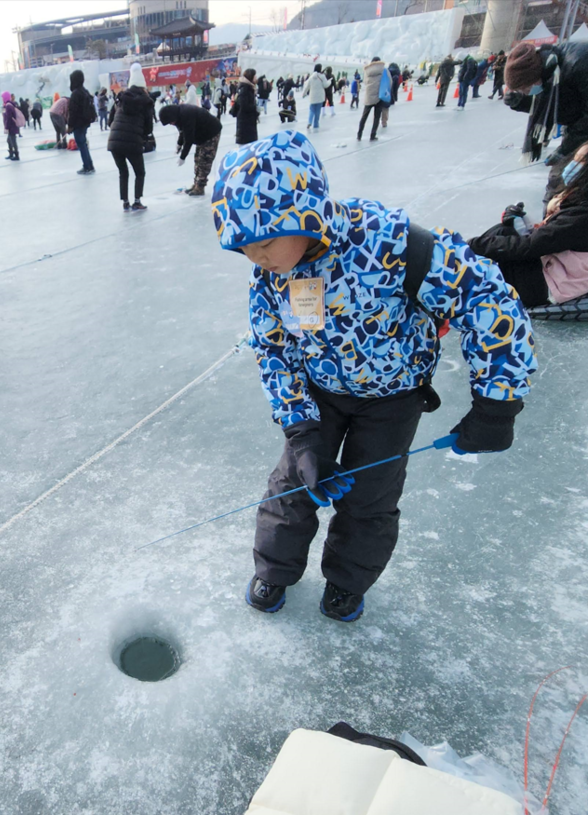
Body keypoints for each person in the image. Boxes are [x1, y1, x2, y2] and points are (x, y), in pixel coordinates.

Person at [210, 130, 537, 621]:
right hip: (319, 391)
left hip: (393, 397)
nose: (256, 259)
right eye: (243, 249)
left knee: (371, 496)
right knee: (294, 482)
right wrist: (302, 433)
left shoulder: (393, 243)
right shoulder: (272, 275)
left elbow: (488, 299)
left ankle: (346, 581)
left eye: (264, 243)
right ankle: (274, 568)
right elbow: (274, 349)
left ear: (307, 214)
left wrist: (497, 404)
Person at [468, 142, 588, 308]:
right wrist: (519, 220)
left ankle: (448, 286)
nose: (571, 165)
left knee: (492, 255)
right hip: (556, 265)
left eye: (580, 162)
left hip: (554, 285)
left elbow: (532, 245)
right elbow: (552, 235)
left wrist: (472, 245)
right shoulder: (576, 199)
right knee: (504, 231)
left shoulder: (581, 215)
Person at [504, 39, 588, 209]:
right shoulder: (550, 71)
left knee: (567, 181)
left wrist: (566, 150)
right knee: (560, 181)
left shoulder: (578, 64)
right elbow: (558, 106)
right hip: (577, 125)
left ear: (534, 78)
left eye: (525, 89)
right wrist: (521, 102)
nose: (527, 93)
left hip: (582, 126)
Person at [106, 63, 153, 211]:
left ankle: (125, 201)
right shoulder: (146, 101)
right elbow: (149, 127)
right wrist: (143, 137)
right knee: (139, 172)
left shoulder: (121, 98)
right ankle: (137, 200)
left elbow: (110, 120)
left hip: (114, 142)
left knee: (123, 171)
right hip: (132, 142)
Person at [159, 103, 221, 196]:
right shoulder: (178, 115)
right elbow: (182, 131)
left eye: (170, 122)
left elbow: (189, 139)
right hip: (201, 135)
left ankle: (200, 187)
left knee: (204, 160)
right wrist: (179, 144)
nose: (171, 124)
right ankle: (196, 184)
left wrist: (182, 157)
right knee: (197, 159)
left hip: (211, 133)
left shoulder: (186, 114)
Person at [68, 69, 97, 175]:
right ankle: (89, 164)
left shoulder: (75, 93)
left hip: (78, 123)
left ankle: (87, 166)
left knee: (81, 144)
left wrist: (70, 125)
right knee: (83, 143)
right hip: (85, 122)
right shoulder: (85, 91)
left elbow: (73, 111)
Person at [357, 56, 389, 141]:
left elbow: (365, 82)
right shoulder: (383, 70)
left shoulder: (367, 70)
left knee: (364, 116)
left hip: (369, 95)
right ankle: (372, 135)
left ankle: (359, 135)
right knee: (376, 117)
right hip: (379, 96)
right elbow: (389, 81)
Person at [230, 68, 259, 145]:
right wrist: (255, 109)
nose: (256, 78)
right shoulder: (245, 89)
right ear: (251, 77)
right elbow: (244, 106)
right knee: (245, 149)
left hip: (247, 123)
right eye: (255, 76)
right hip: (245, 125)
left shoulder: (248, 88)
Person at [303, 64, 330, 130]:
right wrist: (329, 81)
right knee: (318, 111)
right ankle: (316, 124)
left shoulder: (311, 76)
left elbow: (307, 86)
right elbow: (325, 85)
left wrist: (304, 93)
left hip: (312, 96)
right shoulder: (322, 76)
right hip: (320, 96)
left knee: (312, 110)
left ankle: (309, 122)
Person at [381, 63, 401, 128]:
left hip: (380, 92)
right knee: (385, 107)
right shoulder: (397, 71)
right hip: (388, 91)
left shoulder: (385, 70)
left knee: (378, 108)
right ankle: (384, 122)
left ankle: (375, 122)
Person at [1, 91, 20, 161]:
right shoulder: (9, 105)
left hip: (11, 126)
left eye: (3, 97)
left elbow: (9, 117)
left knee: (13, 141)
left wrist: (7, 126)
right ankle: (11, 154)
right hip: (12, 126)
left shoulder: (8, 106)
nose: (2, 99)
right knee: (9, 140)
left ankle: (16, 155)